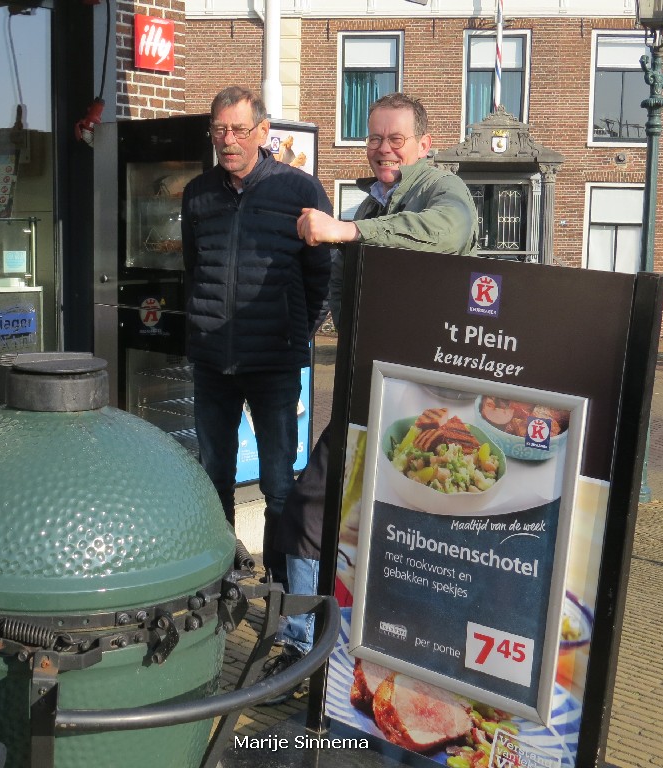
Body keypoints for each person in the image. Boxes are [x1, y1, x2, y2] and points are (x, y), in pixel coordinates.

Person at [259, 93, 479, 702]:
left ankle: (406, 657)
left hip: (424, 402)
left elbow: (451, 232)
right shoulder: (368, 203)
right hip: (366, 387)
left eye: (397, 139)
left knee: (405, 527)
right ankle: (303, 646)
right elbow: (337, 287)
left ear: (425, 145)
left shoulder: (441, 192)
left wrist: (346, 230)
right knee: (310, 507)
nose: (384, 148)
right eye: (375, 138)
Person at [180, 86, 332, 588]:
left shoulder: (300, 191)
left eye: (239, 130)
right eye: (219, 130)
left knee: (278, 484)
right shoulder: (198, 193)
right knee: (212, 477)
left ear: (264, 131)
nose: (228, 140)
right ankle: (221, 582)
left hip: (274, 364)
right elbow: (193, 268)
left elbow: (320, 277)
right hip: (212, 362)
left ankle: (281, 594)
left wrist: (295, 333)